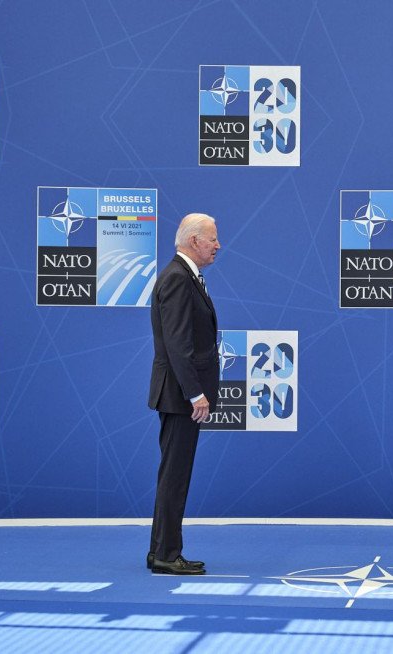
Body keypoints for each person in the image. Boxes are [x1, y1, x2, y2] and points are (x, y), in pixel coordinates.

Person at [146, 213, 220, 575]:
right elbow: (178, 344)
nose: (217, 246)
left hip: (177, 394)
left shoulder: (183, 275)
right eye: (212, 239)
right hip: (179, 396)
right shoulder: (177, 278)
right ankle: (166, 554)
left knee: (173, 474)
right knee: (175, 476)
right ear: (194, 242)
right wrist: (196, 394)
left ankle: (160, 549)